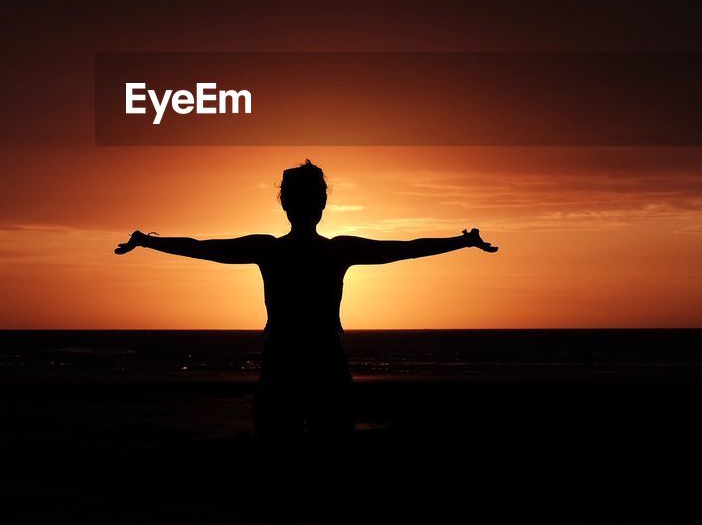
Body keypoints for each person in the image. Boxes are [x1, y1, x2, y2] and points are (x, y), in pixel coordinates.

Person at [114, 159, 497, 451]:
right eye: (308, 198)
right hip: (309, 363)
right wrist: (461, 242)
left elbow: (404, 250)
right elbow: (205, 249)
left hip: (297, 362)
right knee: (310, 460)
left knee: (297, 460)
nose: (307, 205)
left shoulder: (289, 249)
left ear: (291, 205)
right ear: (318, 205)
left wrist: (461, 242)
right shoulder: (320, 250)